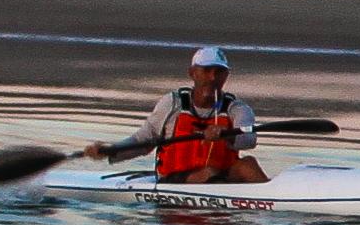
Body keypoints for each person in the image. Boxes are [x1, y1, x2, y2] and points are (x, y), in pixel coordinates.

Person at [85, 46, 267, 185]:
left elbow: (249, 140)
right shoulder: (172, 104)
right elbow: (143, 141)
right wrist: (110, 151)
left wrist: (228, 135)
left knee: (248, 164)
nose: (213, 78)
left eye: (219, 72)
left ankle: (273, 200)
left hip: (218, 175)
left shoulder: (237, 108)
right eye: (207, 71)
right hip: (173, 179)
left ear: (226, 76)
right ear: (193, 73)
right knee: (209, 172)